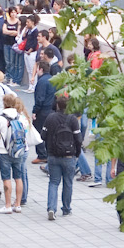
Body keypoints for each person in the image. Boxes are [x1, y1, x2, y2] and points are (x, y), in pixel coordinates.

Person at [41, 93, 82, 221]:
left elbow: (43, 135)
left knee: (53, 182)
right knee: (68, 182)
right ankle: (66, 209)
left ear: (57, 105)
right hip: (69, 156)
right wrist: (77, 154)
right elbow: (79, 139)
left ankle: (51, 208)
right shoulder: (73, 119)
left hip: (53, 155)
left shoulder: (50, 118)